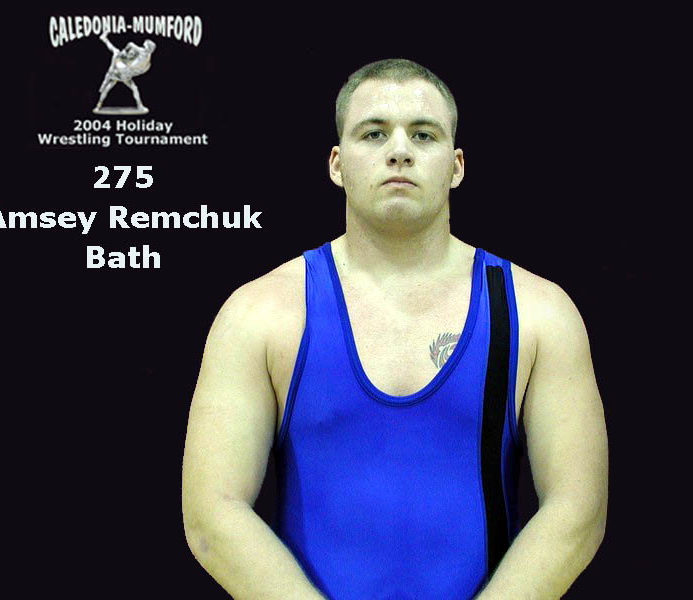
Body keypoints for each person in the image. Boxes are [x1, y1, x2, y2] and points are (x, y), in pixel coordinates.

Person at [181, 58, 608, 599]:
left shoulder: (538, 313)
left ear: (456, 166)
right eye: (374, 133)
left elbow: (578, 511)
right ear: (337, 164)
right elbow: (212, 514)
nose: (399, 150)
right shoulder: (260, 314)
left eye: (423, 134)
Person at [94, 30, 156, 112]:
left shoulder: (142, 55)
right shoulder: (122, 57)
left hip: (126, 76)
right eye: (130, 53)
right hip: (118, 75)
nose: (131, 55)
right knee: (107, 88)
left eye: (133, 54)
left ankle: (140, 106)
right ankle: (98, 105)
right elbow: (114, 63)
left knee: (135, 88)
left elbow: (133, 48)